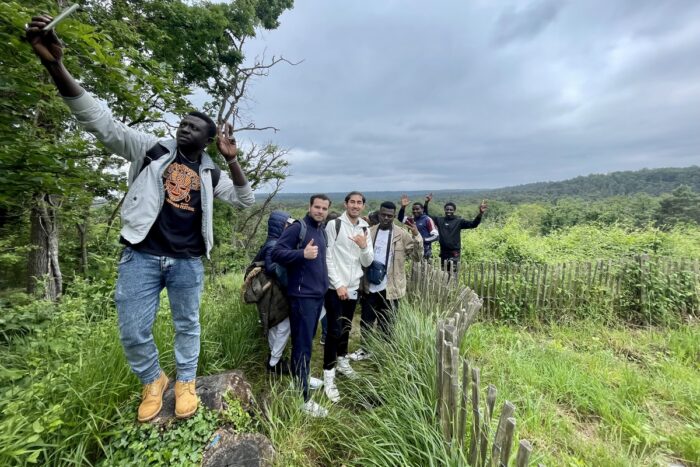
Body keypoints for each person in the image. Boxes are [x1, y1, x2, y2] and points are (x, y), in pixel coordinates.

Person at [25, 15, 255, 422]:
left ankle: (186, 381)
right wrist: (55, 65)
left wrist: (233, 161)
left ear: (207, 140)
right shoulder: (150, 151)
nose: (184, 129)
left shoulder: (211, 173)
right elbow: (100, 122)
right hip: (141, 256)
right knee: (133, 328)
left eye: (194, 127)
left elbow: (244, 200)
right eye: (182, 123)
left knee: (188, 325)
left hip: (186, 260)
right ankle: (154, 380)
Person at [271, 194, 331, 417]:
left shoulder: (320, 229)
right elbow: (276, 252)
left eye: (324, 208)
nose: (320, 211)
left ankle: (302, 378)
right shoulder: (299, 228)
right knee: (302, 346)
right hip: (302, 297)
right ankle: (302, 398)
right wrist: (302, 253)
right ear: (310, 207)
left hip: (316, 296)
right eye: (317, 207)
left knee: (307, 341)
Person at [350, 201, 422, 361]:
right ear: (379, 214)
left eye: (390, 216)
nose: (386, 218)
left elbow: (417, 257)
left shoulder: (401, 235)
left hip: (392, 287)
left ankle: (384, 352)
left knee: (387, 322)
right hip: (370, 285)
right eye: (383, 214)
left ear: (394, 217)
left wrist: (417, 236)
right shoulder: (369, 232)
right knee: (366, 320)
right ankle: (365, 349)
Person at [323, 192, 373, 402]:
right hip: (336, 287)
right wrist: (338, 284)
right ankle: (329, 375)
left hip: (353, 287)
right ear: (346, 204)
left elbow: (368, 261)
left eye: (359, 202)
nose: (355, 205)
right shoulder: (334, 225)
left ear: (362, 206)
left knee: (345, 327)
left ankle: (342, 362)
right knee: (333, 331)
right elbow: (328, 257)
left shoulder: (364, 227)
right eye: (351, 202)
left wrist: (363, 245)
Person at [251, 211, 295, 375]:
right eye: (286, 224)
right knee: (283, 325)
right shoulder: (273, 245)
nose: (288, 227)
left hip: (269, 293)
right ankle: (274, 361)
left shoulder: (271, 242)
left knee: (274, 326)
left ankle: (274, 358)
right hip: (274, 293)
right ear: (280, 225)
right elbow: (272, 269)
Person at [424, 194, 487, 275]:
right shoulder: (439, 220)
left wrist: (480, 213)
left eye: (451, 210)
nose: (449, 211)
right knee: (444, 273)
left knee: (453, 273)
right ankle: (445, 287)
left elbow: (473, 224)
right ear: (444, 210)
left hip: (454, 252)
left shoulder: (459, 221)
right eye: (447, 209)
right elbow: (426, 216)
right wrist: (426, 203)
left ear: (454, 210)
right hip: (443, 251)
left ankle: (453, 287)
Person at [319, 211, 340, 346]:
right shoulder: (333, 235)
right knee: (333, 308)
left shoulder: (320, 233)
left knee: (325, 308)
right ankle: (329, 333)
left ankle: (325, 334)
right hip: (332, 276)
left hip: (322, 276)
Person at [397, 194, 439, 259]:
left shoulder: (427, 219)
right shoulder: (411, 220)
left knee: (425, 268)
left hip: (425, 250)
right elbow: (400, 218)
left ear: (422, 209)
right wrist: (403, 207)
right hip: (414, 250)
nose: (415, 211)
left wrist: (423, 240)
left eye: (417, 209)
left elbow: (435, 236)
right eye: (413, 209)